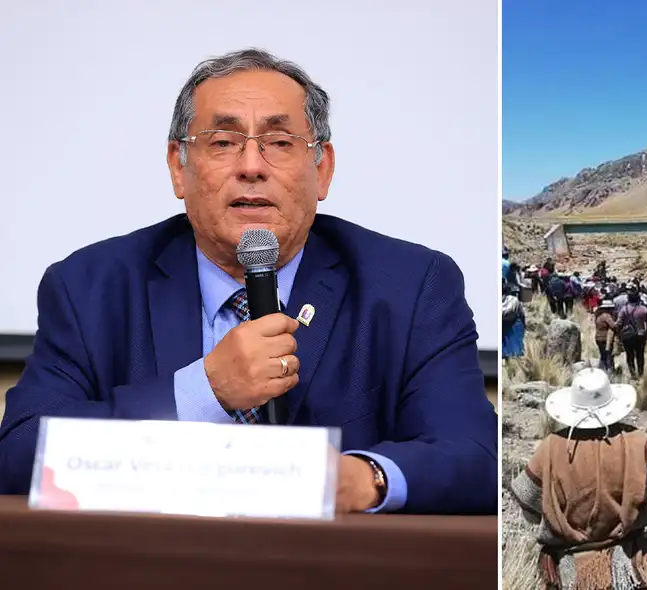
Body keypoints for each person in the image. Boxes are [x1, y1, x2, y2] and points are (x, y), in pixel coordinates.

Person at [0, 49, 497, 515]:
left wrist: (362, 479)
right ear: (179, 167)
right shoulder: (89, 287)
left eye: (280, 144)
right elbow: (20, 456)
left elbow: (476, 455)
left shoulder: (412, 287)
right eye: (222, 143)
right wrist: (204, 392)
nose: (252, 167)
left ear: (321, 170)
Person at [509, 368, 647, 590]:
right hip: (628, 564)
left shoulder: (549, 449)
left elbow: (528, 504)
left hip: (569, 571)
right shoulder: (637, 443)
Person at [617, 289, 647, 378]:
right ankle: (641, 373)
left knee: (630, 355)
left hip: (627, 335)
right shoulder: (644, 309)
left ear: (628, 299)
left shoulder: (624, 309)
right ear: (639, 299)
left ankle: (633, 374)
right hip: (641, 335)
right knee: (640, 355)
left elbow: (619, 323)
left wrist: (619, 335)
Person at [502, 286, 526, 359]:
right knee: (516, 347)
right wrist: (524, 325)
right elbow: (522, 314)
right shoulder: (514, 300)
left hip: (503, 325)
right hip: (514, 325)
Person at [594, 299, 618, 372]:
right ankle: (609, 371)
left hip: (598, 337)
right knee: (608, 355)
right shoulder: (606, 316)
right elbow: (613, 326)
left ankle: (602, 369)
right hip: (605, 338)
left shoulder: (598, 315)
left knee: (603, 355)